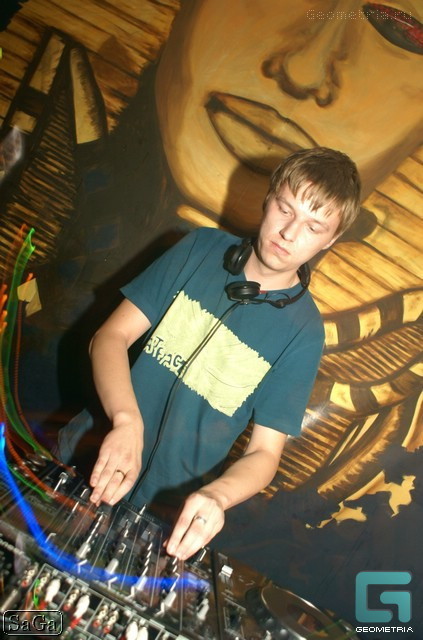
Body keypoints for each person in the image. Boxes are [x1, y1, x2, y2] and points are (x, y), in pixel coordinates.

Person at [57, 147, 361, 559]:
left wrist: (218, 496)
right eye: (285, 209)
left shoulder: (303, 333)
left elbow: (264, 453)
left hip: (163, 516)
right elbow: (110, 337)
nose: (289, 233)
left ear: (332, 238)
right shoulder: (199, 248)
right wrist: (127, 420)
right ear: (268, 198)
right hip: (84, 460)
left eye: (313, 226)